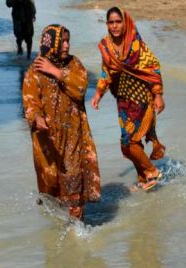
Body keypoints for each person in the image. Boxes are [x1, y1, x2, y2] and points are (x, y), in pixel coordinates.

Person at [22, 24, 101, 221]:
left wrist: (56, 72)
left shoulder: (74, 64)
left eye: (67, 41)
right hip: (47, 140)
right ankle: (59, 234)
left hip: (73, 136)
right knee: (51, 188)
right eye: (62, 41)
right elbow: (30, 101)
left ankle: (78, 229)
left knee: (73, 180)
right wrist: (36, 118)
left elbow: (81, 88)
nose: (66, 46)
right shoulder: (35, 71)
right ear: (51, 43)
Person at [91, 7, 166, 192]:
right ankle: (143, 179)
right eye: (111, 22)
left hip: (141, 97)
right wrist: (98, 94)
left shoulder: (135, 43)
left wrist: (158, 95)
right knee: (129, 144)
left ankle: (152, 171)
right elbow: (105, 72)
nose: (115, 26)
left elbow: (153, 67)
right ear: (107, 24)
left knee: (129, 142)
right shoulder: (106, 46)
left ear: (124, 23)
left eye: (118, 21)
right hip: (123, 100)